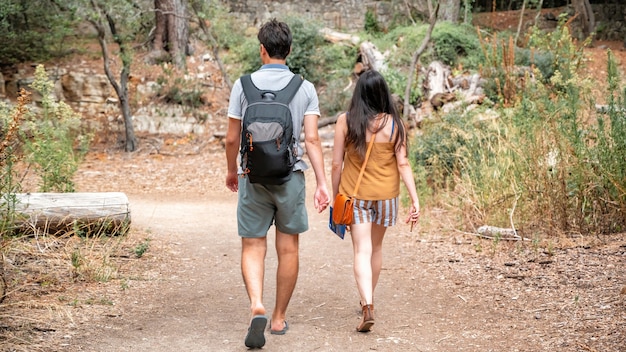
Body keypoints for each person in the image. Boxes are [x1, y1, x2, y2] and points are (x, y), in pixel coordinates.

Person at [224, 18, 330, 349]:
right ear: (290, 49)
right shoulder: (305, 87)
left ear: (262, 49)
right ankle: (279, 316)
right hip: (291, 176)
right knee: (288, 248)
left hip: (252, 176)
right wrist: (322, 183)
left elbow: (231, 138)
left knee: (253, 245)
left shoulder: (243, 85)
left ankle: (257, 304)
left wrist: (232, 171)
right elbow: (311, 139)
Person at [331, 69, 421, 333]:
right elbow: (403, 163)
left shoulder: (345, 121)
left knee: (361, 250)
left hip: (356, 196)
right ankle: (367, 300)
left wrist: (337, 195)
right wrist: (415, 200)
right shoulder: (395, 124)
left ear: (359, 94)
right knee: (376, 249)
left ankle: (367, 303)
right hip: (386, 197)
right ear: (383, 94)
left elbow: (337, 163)